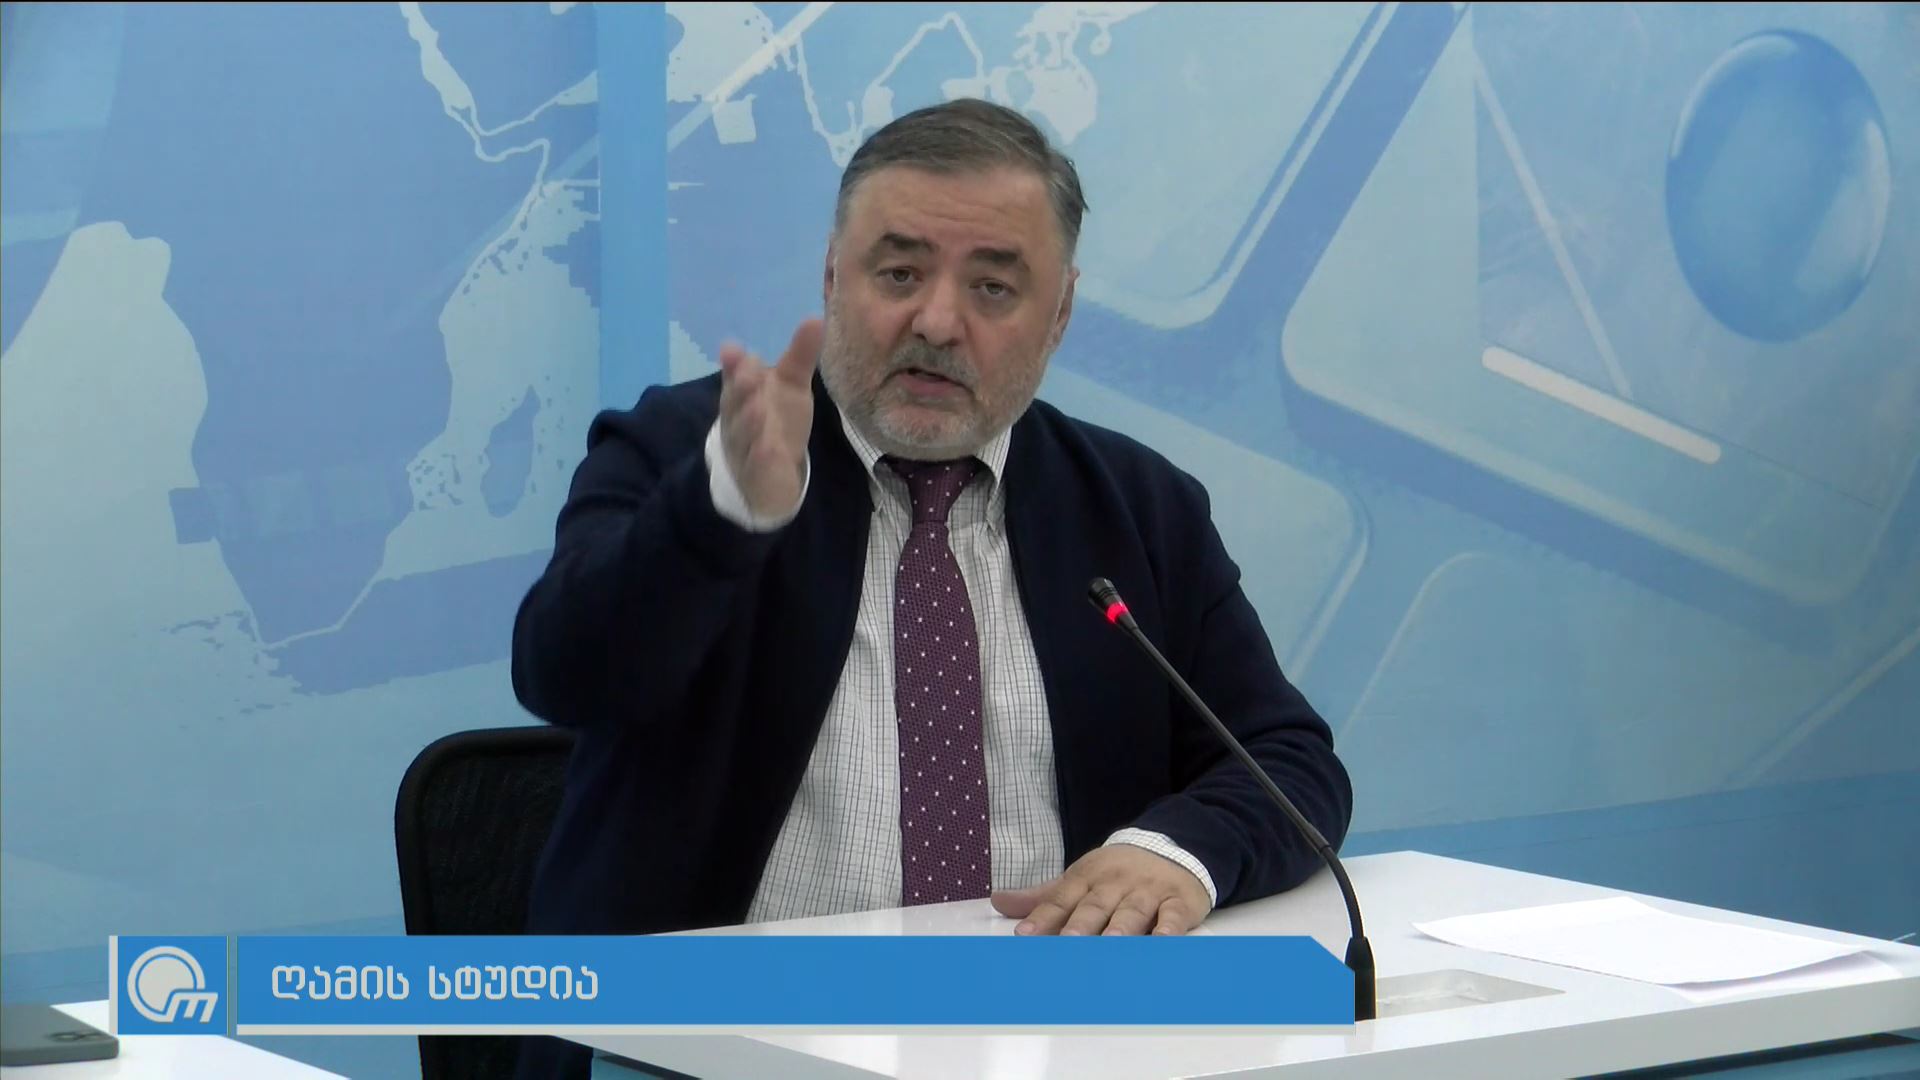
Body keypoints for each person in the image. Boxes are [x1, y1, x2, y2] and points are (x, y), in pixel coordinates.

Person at [510, 98, 1353, 1078]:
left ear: (1061, 314)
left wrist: (1172, 852)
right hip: (717, 1049)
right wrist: (720, 517)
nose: (938, 323)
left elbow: (1288, 760)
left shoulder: (1135, 507)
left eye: (994, 288)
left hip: (1051, 1048)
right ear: (834, 276)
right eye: (900, 274)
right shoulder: (691, 456)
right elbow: (565, 672)